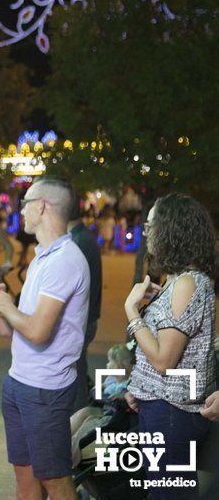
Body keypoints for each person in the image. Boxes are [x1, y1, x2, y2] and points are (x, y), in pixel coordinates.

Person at [0, 177, 89, 500]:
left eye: (25, 203)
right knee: (25, 480)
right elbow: (24, 325)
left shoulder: (66, 260)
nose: (22, 210)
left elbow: (36, 331)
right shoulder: (43, 257)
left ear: (42, 206)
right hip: (19, 382)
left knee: (56, 482)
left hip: (45, 390)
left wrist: (2, 304)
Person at [123, 193, 216, 500]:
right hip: (162, 409)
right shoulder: (178, 281)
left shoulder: (188, 283)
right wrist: (138, 387)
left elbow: (164, 359)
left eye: (151, 224)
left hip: (172, 414)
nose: (146, 232)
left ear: (171, 229)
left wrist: (132, 311)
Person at [68, 194, 103, 411]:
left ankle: (78, 424)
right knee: (78, 371)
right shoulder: (82, 237)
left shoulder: (78, 242)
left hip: (82, 320)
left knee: (76, 375)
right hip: (87, 317)